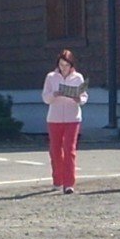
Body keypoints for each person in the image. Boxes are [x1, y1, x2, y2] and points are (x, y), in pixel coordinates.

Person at [41, 49, 89, 193]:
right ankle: (58, 180)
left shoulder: (78, 77)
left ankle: (69, 184)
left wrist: (78, 99)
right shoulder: (51, 77)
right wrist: (53, 95)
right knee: (55, 150)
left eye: (66, 65)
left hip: (72, 118)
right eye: (61, 65)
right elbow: (45, 97)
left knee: (69, 149)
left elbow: (84, 96)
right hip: (54, 118)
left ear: (71, 65)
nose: (64, 68)